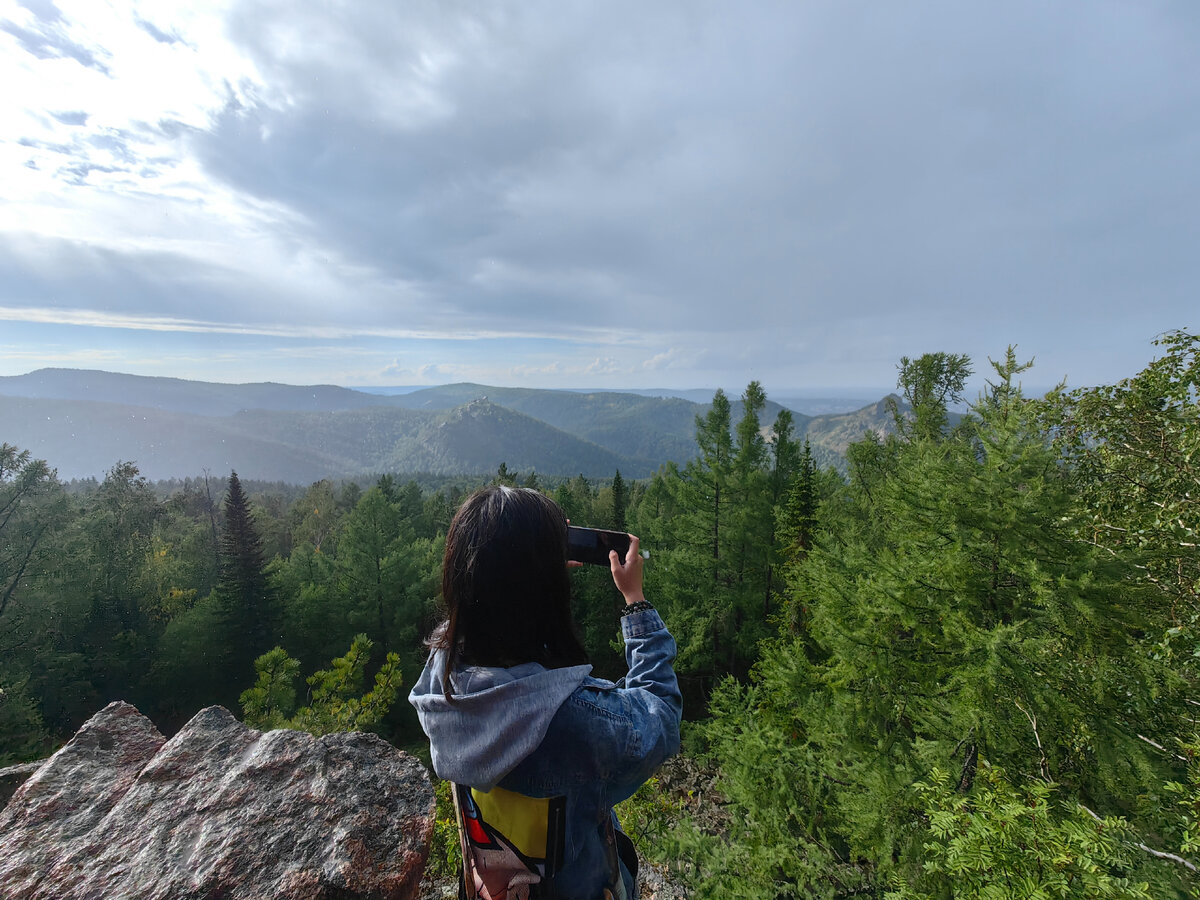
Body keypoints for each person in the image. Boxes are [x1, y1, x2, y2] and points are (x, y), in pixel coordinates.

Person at [409, 485, 682, 900]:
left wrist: (534, 568)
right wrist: (635, 602)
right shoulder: (575, 724)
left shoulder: (441, 682)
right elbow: (659, 715)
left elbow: (490, 613)